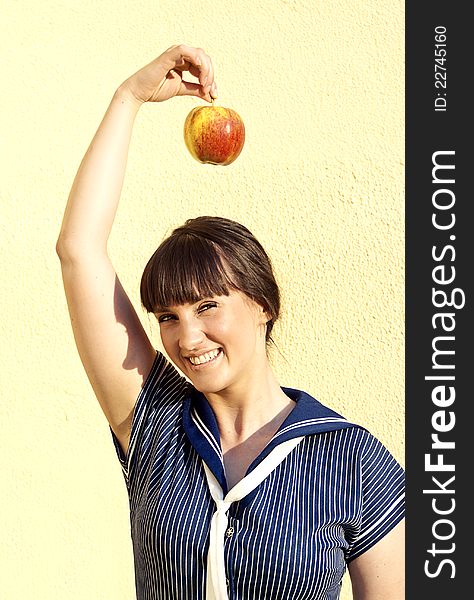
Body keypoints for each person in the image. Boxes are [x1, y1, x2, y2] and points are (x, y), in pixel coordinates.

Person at [56, 44, 405, 600]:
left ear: (263, 304)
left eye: (208, 306)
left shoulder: (353, 459)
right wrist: (130, 98)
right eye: (168, 316)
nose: (186, 338)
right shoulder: (156, 429)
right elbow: (79, 250)